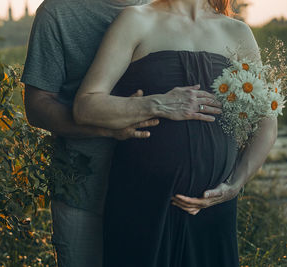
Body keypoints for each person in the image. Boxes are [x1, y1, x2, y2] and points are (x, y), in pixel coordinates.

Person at [72, 0, 278, 266]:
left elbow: (266, 122)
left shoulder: (237, 32)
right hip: (142, 206)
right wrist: (156, 104)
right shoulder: (135, 20)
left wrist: (236, 184)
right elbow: (85, 106)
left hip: (213, 210)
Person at [21, 0, 223, 266]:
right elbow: (37, 106)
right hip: (86, 193)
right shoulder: (57, 11)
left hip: (156, 198)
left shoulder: (167, 5)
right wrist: (103, 127)